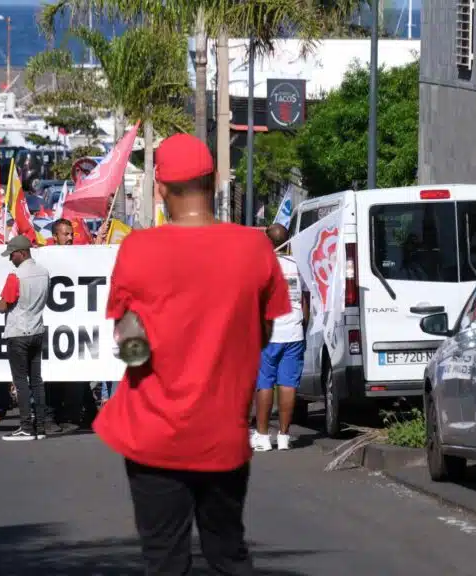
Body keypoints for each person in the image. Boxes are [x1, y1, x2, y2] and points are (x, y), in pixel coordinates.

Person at [93, 133, 291, 575]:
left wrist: (146, 345)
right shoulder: (255, 248)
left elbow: (130, 345)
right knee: (228, 554)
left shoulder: (138, 249)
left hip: (153, 435)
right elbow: (264, 332)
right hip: (222, 433)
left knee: (164, 560)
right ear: (215, 180)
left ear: (160, 189)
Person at [0, 235, 60, 441]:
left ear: (22, 253)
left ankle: (26, 427)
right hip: (37, 330)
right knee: (36, 381)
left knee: (21, 382)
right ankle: (40, 427)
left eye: (12, 254)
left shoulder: (16, 276)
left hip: (18, 333)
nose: (10, 258)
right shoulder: (44, 272)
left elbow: (2, 306)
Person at [251, 224, 309, 452]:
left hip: (268, 333)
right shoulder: (299, 265)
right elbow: (305, 301)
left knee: (265, 383)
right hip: (293, 332)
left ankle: (263, 436)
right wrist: (302, 326)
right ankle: (284, 436)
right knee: (288, 384)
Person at [48, 218, 99, 431]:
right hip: (54, 328)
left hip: (77, 326)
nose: (70, 238)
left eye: (71, 234)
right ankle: (52, 416)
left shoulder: (80, 256)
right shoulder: (46, 257)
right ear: (55, 237)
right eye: (65, 234)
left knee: (78, 372)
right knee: (53, 375)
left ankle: (83, 414)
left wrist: (99, 248)